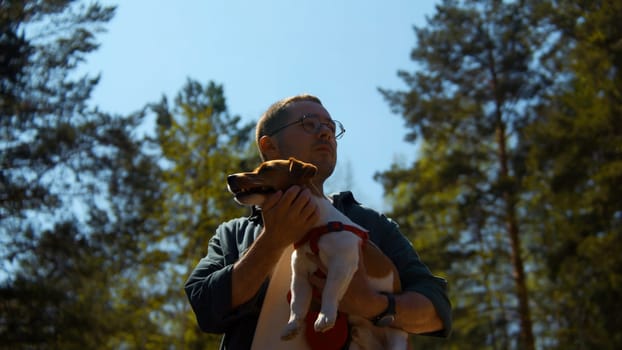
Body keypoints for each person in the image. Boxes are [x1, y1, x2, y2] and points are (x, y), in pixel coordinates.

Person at [184, 94, 452, 349]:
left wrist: (371, 305)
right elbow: (205, 305)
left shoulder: (371, 225)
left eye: (330, 128)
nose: (325, 133)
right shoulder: (234, 235)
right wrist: (272, 241)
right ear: (269, 147)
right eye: (308, 124)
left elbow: (436, 309)